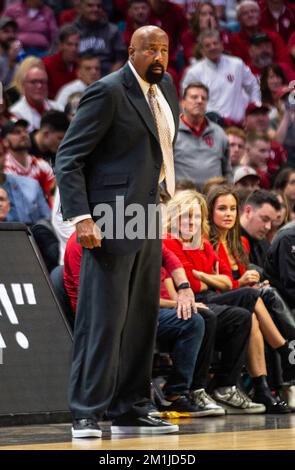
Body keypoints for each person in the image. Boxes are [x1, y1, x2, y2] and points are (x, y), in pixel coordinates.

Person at [55, 25, 180, 438]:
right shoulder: (108, 91)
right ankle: (86, 411)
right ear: (132, 50)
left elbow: (155, 152)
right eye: (150, 50)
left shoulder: (168, 91)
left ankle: (132, 406)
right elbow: (69, 159)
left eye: (164, 49)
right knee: (102, 320)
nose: (158, 57)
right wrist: (82, 218)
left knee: (142, 319)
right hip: (109, 219)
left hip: (148, 217)